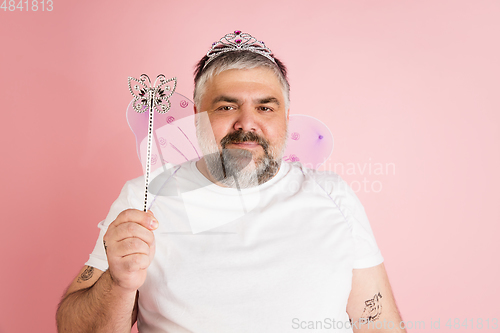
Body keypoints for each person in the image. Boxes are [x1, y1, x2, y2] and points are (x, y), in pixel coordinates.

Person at [56, 31, 406, 333]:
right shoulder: (145, 198)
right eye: (226, 107)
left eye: (265, 108)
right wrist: (118, 284)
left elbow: (378, 323)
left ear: (285, 117)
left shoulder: (334, 196)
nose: (246, 123)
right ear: (197, 117)